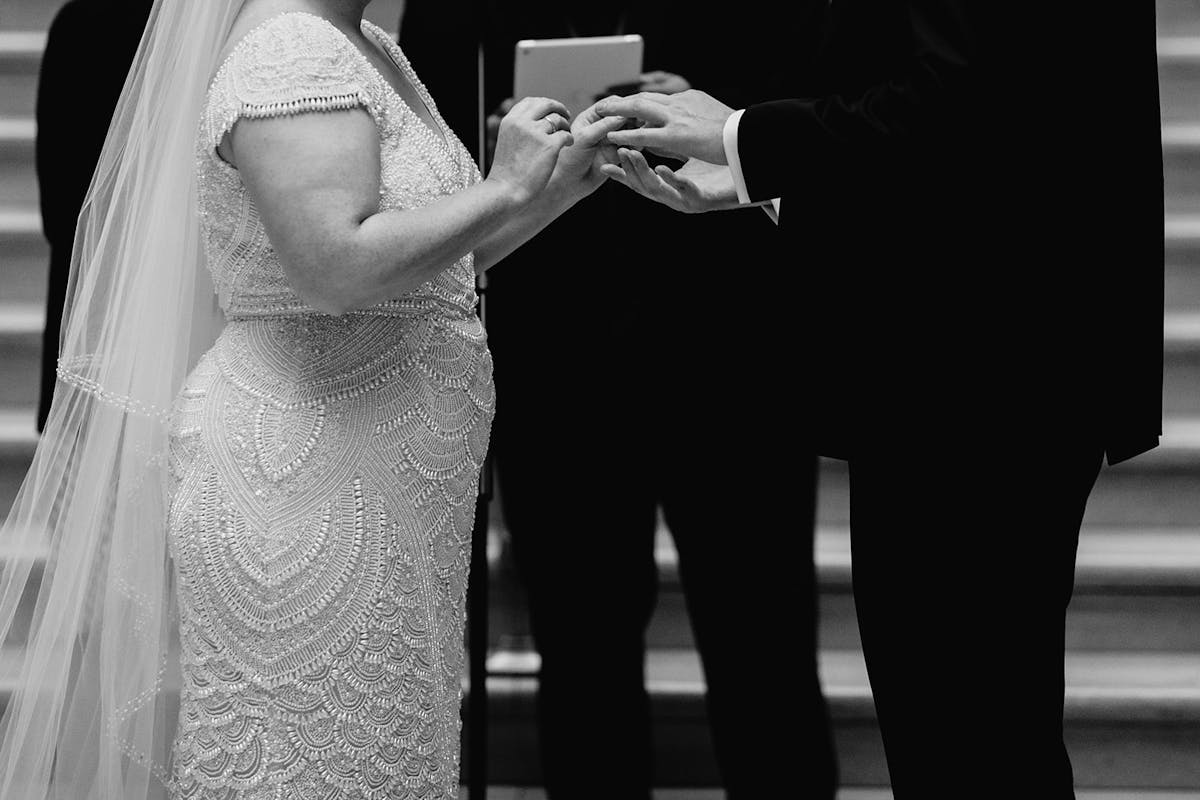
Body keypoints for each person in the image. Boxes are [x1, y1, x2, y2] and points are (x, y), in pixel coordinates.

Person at [0, 0, 627, 796]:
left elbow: (426, 268)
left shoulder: (364, 46)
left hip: (383, 492)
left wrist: (552, 191)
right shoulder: (291, 51)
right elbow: (337, 264)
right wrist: (505, 187)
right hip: (310, 483)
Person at [596, 4, 1164, 798]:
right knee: (969, 740)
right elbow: (989, 140)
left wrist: (742, 137)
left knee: (970, 744)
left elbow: (955, 106)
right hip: (986, 366)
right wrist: (766, 184)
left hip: (975, 382)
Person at [399, 2, 834, 797]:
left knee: (763, 630)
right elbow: (418, 133)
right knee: (580, 639)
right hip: (554, 344)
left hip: (733, 342)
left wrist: (717, 116)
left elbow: (820, 99)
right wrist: (506, 146)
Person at [34, 0, 154, 431]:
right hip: (166, 286)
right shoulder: (197, 24)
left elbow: (54, 187)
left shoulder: (75, 20)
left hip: (81, 282)